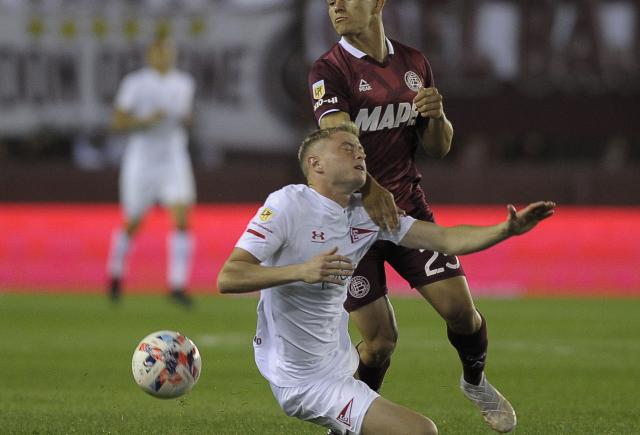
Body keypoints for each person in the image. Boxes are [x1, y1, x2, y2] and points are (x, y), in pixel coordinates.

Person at [217, 123, 555, 435]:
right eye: (347, 148)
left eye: (360, 148)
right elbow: (229, 277)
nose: (360, 153)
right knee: (422, 432)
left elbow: (446, 240)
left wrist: (506, 230)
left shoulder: (367, 215)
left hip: (340, 362)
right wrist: (300, 271)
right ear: (316, 164)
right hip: (303, 380)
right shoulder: (287, 205)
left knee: (385, 354)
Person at [308, 0, 517, 431]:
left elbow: (439, 146)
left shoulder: (413, 62)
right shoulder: (329, 70)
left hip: (406, 212)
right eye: (330, 1)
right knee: (380, 342)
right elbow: (336, 136)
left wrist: (437, 116)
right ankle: (350, 421)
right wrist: (368, 187)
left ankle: (474, 381)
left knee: (462, 312)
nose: (337, 6)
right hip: (349, 225)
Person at [105, 34, 196, 307]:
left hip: (173, 156)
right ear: (150, 56)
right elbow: (118, 122)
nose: (164, 58)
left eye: (168, 53)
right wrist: (146, 120)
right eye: (159, 53)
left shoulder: (184, 83)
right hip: (142, 159)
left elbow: (189, 118)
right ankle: (116, 275)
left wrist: (186, 119)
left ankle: (177, 285)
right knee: (133, 220)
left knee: (181, 217)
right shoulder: (135, 83)